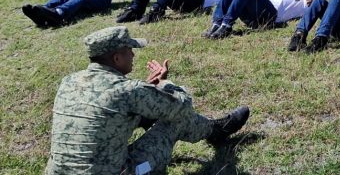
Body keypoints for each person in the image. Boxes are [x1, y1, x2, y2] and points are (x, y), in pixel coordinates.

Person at [45, 26, 249, 174]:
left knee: (146, 113)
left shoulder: (69, 81)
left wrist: (147, 90)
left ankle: (214, 130)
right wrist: (163, 84)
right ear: (116, 58)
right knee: (174, 122)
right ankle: (216, 131)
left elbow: (114, 109)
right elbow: (182, 106)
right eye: (129, 51)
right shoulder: (127, 90)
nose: (133, 54)